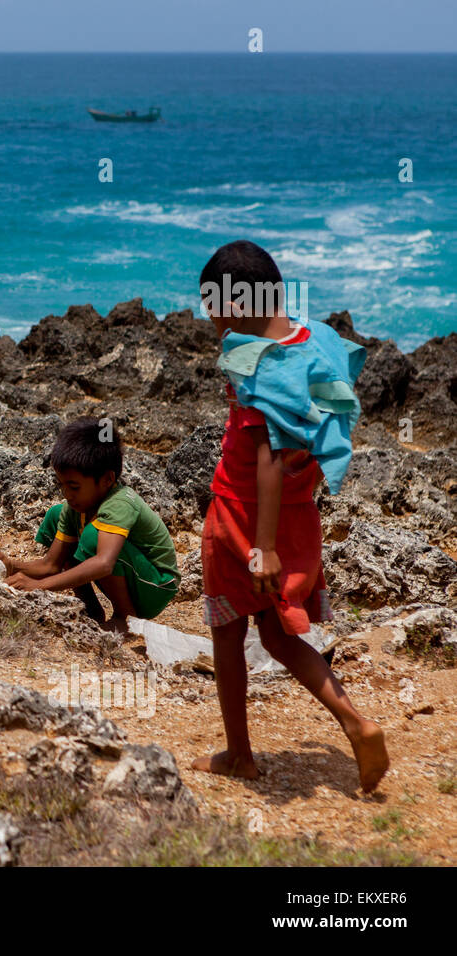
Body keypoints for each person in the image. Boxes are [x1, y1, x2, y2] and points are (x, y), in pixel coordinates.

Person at [192, 238, 388, 792]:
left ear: (234, 302)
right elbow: (332, 421)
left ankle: (239, 754)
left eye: (213, 310)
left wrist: (263, 544)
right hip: (299, 513)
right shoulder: (318, 342)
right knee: (278, 638)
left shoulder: (256, 364)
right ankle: (355, 722)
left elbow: (268, 455)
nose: (213, 325)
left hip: (243, 518)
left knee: (227, 631)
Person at [0, 418, 179, 634]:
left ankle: (125, 617)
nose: (67, 493)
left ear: (107, 479)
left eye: (74, 486)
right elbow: (51, 565)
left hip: (155, 586)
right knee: (56, 514)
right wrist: (10, 566)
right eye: (62, 485)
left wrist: (39, 585)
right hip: (132, 575)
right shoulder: (75, 508)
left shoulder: (119, 503)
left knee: (93, 536)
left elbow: (103, 564)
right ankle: (91, 609)